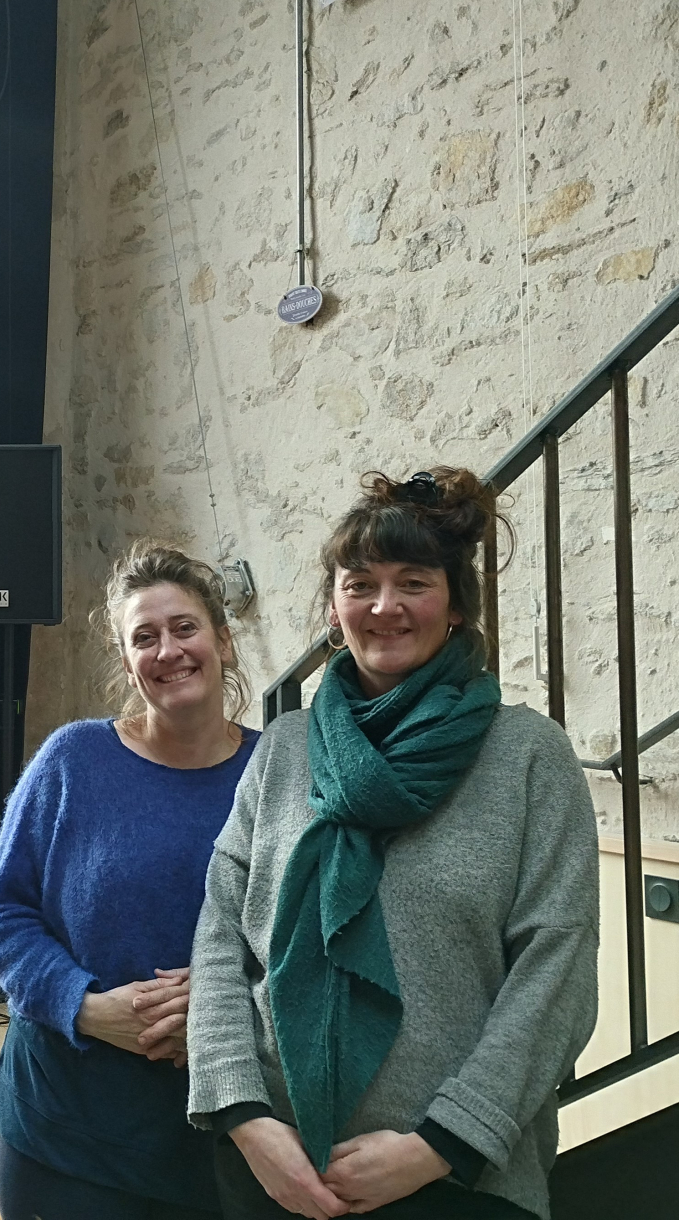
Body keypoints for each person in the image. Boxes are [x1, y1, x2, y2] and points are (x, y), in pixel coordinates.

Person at [185, 468, 599, 1220]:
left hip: (456, 1181)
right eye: (360, 584)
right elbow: (220, 936)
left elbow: (558, 970)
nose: (384, 606)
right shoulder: (284, 750)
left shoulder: (529, 757)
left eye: (414, 582)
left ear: (456, 605)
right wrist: (242, 1114)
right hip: (274, 1168)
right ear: (334, 607)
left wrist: (440, 1144)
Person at [0, 541, 261, 1219]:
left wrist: (225, 1004)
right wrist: (83, 1006)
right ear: (128, 662)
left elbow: (304, 936)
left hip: (220, 1129)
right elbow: (7, 917)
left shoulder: (277, 772)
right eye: (144, 637)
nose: (168, 650)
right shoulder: (72, 761)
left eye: (185, 627)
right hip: (65, 1128)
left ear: (224, 642)